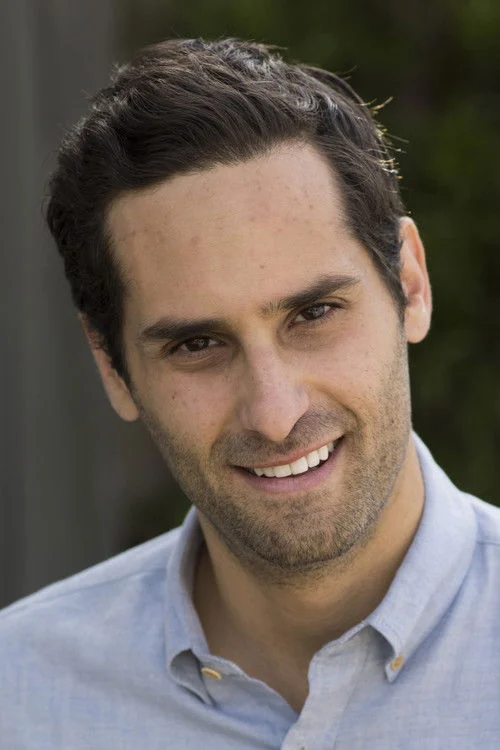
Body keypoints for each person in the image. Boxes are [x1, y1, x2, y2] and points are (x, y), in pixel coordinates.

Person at [1, 37, 499, 749]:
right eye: (196, 345)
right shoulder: (18, 698)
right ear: (112, 367)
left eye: (314, 313)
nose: (275, 413)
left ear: (410, 285)